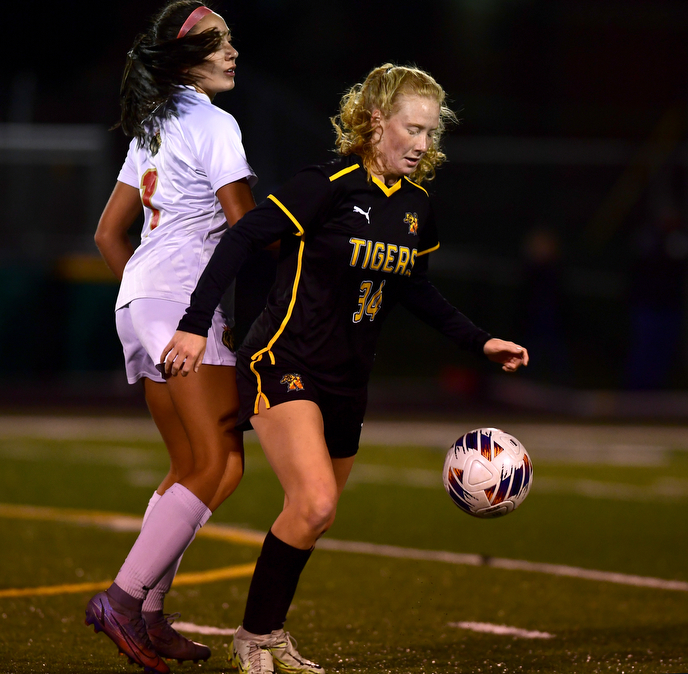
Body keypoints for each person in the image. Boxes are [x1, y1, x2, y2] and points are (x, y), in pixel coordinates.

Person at [165, 64, 529, 674]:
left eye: (432, 133)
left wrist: (480, 341)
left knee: (316, 514)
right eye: (412, 129)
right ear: (375, 122)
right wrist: (195, 323)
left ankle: (269, 631)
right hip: (284, 359)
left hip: (348, 377)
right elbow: (242, 238)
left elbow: (415, 289)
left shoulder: (417, 207)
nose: (423, 143)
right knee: (312, 504)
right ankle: (252, 638)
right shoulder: (327, 184)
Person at [85, 3, 257, 673]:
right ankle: (124, 601)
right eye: (222, 44)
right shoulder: (215, 123)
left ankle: (150, 615)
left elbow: (107, 235)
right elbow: (245, 228)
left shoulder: (154, 125)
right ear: (190, 61)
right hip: (181, 303)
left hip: (143, 300)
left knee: (203, 466)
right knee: (217, 465)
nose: (234, 52)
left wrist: (146, 302)